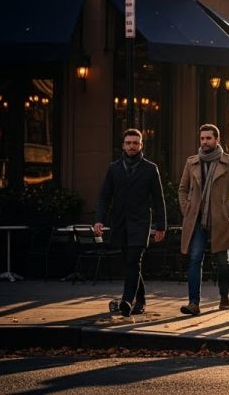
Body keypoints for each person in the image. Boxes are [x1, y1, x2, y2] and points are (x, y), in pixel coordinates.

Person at [94, 128, 166, 317]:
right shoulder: (114, 168)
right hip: (120, 222)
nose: (132, 146)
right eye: (128, 143)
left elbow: (158, 199)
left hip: (141, 222)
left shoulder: (151, 169)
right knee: (129, 262)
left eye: (135, 143)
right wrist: (99, 220)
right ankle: (140, 300)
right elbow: (104, 195)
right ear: (123, 145)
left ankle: (127, 300)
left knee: (134, 259)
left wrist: (161, 226)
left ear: (141, 145)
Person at [177, 124, 229, 316]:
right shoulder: (192, 162)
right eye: (202, 139)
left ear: (217, 140)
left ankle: (224, 295)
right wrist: (187, 208)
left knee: (222, 261)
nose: (205, 142)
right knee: (195, 258)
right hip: (197, 219)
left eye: (208, 138)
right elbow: (182, 189)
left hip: (220, 218)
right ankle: (193, 303)